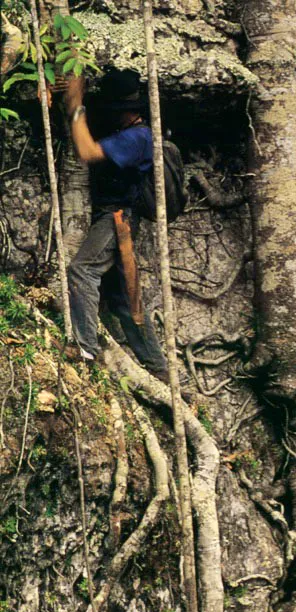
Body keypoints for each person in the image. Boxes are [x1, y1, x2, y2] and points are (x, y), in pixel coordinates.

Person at [63, 68, 170, 381]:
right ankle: (159, 370)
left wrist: (75, 105)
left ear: (128, 113)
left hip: (116, 220)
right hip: (116, 219)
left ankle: (85, 348)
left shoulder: (137, 137)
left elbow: (86, 150)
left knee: (82, 270)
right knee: (125, 300)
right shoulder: (131, 133)